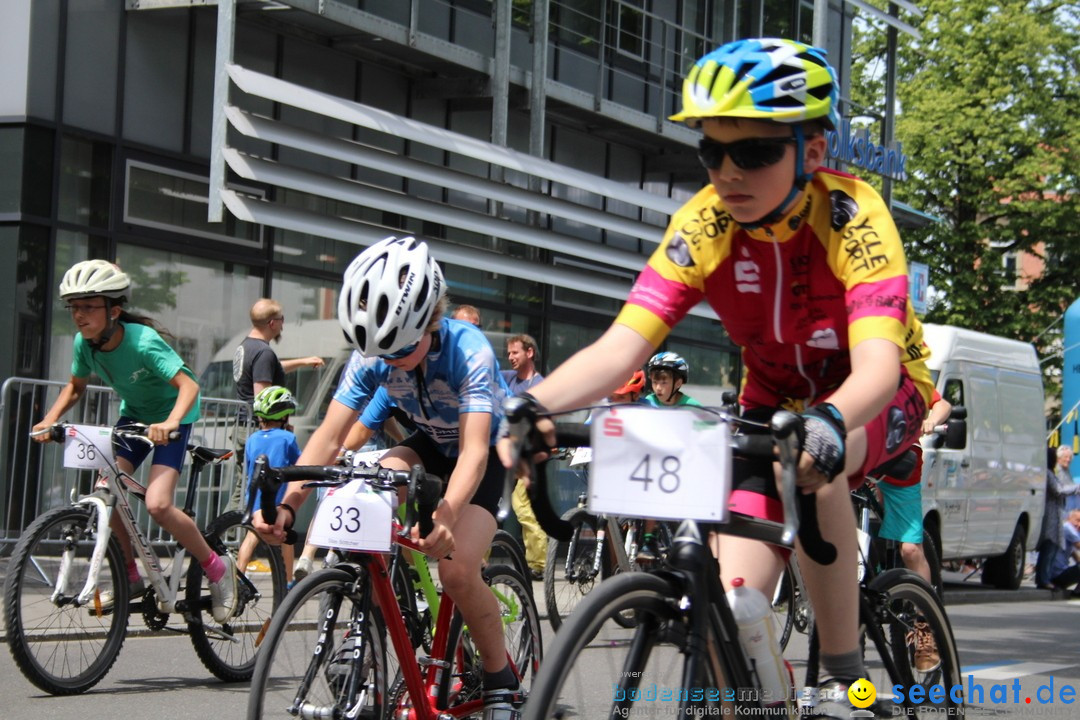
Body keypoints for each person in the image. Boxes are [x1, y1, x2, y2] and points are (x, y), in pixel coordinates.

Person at [497, 37, 933, 718]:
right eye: (711, 150)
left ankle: (847, 680)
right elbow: (620, 349)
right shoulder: (702, 224)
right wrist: (529, 403)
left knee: (820, 464)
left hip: (872, 391)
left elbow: (876, 367)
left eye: (754, 152)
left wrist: (828, 420)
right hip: (771, 395)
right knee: (737, 615)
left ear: (812, 153)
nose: (728, 171)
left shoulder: (852, 215)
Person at [254, 236, 523, 719]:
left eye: (401, 346)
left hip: (485, 455)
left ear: (431, 321)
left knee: (458, 571)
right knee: (359, 488)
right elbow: (331, 439)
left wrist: (443, 516)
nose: (390, 358)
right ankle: (367, 623)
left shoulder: (470, 350)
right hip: (431, 444)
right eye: (380, 349)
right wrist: (290, 502)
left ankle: (501, 676)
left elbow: (475, 453)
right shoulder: (372, 355)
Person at [31, 259, 238, 622]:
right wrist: (49, 421)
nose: (78, 316)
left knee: (158, 504)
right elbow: (75, 388)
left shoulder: (143, 342)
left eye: (88, 307)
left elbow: (189, 386)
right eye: (74, 307)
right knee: (105, 488)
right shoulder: (86, 343)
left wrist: (171, 422)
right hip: (135, 416)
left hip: (174, 415)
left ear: (115, 310)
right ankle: (130, 576)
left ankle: (217, 568)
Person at [292, 386, 406, 581]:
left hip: (342, 447)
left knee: (329, 503)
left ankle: (307, 555)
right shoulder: (382, 382)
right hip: (368, 448)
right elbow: (379, 422)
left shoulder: (351, 383)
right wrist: (403, 440)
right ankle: (334, 552)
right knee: (375, 508)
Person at [876, 388, 951, 672]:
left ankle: (925, 625)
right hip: (859, 457)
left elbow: (942, 403)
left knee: (909, 549)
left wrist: (931, 420)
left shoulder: (906, 370)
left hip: (899, 461)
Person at [238, 386, 300, 586]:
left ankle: (239, 576)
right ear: (284, 415)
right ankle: (288, 580)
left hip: (255, 499)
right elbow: (299, 464)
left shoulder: (252, 439)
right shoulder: (288, 438)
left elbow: (249, 466)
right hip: (278, 498)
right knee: (286, 539)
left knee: (251, 537)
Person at [501, 335, 547, 580]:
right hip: (502, 453)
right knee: (487, 508)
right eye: (509, 353)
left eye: (515, 352)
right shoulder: (506, 378)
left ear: (530, 353)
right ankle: (480, 560)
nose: (510, 357)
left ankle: (537, 565)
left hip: (526, 457)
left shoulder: (540, 385)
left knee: (524, 509)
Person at [1036, 445, 1080, 589]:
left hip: (1055, 515)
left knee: (1052, 547)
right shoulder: (1048, 474)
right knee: (1049, 547)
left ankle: (1045, 578)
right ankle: (1044, 579)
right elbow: (1059, 490)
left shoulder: (1051, 473)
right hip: (1050, 515)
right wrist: (1077, 487)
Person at [1046, 509, 1080, 595]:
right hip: (1057, 576)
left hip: (1056, 576)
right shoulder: (1068, 527)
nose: (1079, 524)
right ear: (1069, 518)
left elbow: (1075, 555)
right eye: (1077, 520)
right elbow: (1078, 545)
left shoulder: (1066, 530)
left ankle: (1078, 591)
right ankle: (1078, 592)